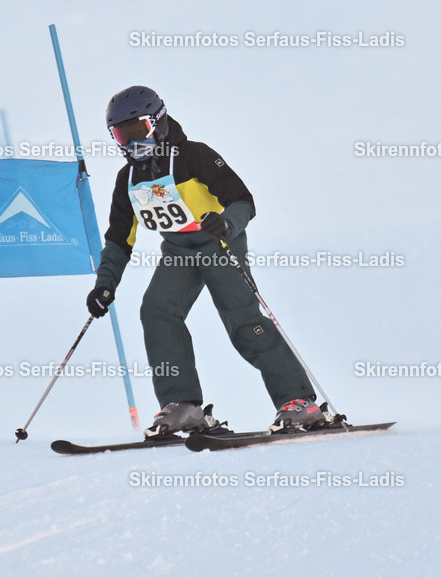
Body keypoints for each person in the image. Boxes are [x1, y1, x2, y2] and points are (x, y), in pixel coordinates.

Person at [85, 85, 327, 438]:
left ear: (158, 122)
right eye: (122, 135)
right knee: (156, 311)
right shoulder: (129, 178)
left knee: (241, 318)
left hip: (219, 244)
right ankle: (182, 406)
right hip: (178, 252)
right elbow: (120, 239)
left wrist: (227, 223)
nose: (132, 142)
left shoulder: (193, 156)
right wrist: (105, 284)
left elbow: (242, 200)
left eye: (138, 130)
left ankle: (298, 401)